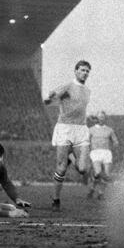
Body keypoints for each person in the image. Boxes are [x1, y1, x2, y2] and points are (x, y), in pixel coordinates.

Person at [44, 60, 92, 212]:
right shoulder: (67, 86)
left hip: (81, 129)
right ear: (76, 71)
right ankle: (56, 199)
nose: (85, 73)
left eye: (87, 71)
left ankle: (72, 157)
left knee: (83, 168)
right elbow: (48, 100)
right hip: (65, 128)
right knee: (62, 168)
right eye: (82, 70)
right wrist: (50, 97)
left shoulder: (88, 90)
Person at [87, 110, 119, 200]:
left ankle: (101, 193)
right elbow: (86, 141)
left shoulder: (109, 130)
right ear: (96, 118)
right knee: (98, 172)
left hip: (106, 152)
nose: (101, 118)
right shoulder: (91, 129)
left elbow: (115, 140)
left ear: (105, 118)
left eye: (103, 117)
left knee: (107, 173)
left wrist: (116, 143)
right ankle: (92, 188)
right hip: (95, 152)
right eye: (100, 117)